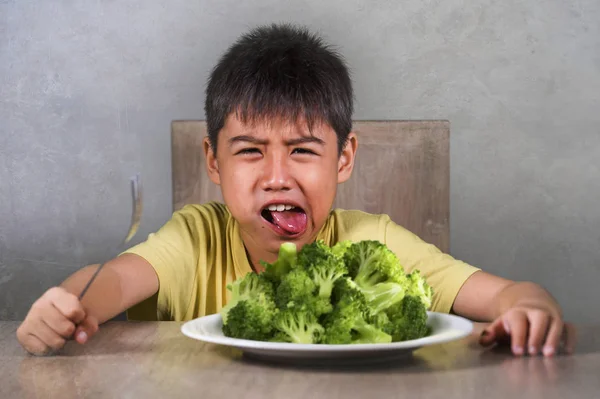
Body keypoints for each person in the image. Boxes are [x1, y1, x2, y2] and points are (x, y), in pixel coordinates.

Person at [17, 23, 575, 357]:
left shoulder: (371, 243)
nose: (277, 175)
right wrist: (71, 307)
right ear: (213, 160)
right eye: (250, 150)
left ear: (345, 158)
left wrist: (528, 308)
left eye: (303, 150)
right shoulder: (195, 239)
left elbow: (508, 295)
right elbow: (109, 283)